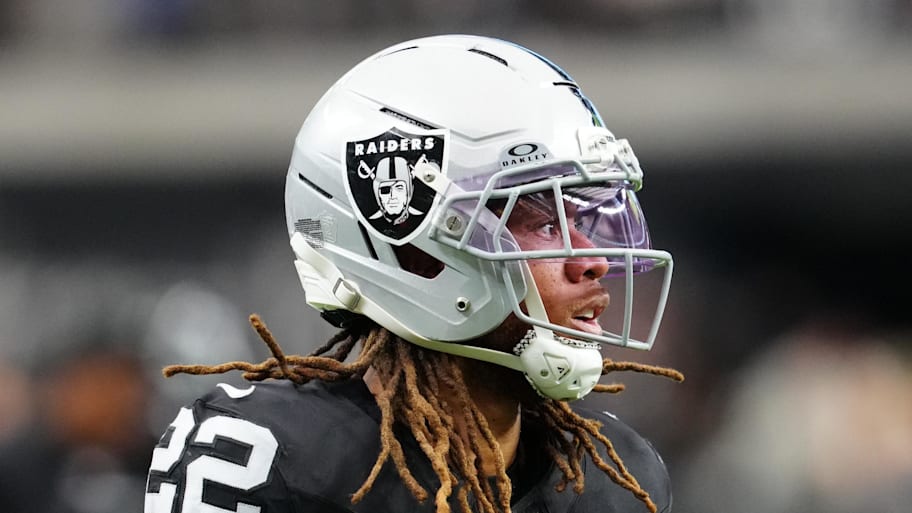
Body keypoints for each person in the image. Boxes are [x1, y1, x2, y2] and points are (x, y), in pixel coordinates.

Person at [144, 35, 683, 513]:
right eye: (545, 224)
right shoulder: (270, 460)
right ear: (418, 255)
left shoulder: (615, 478)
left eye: (582, 220)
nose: (593, 260)